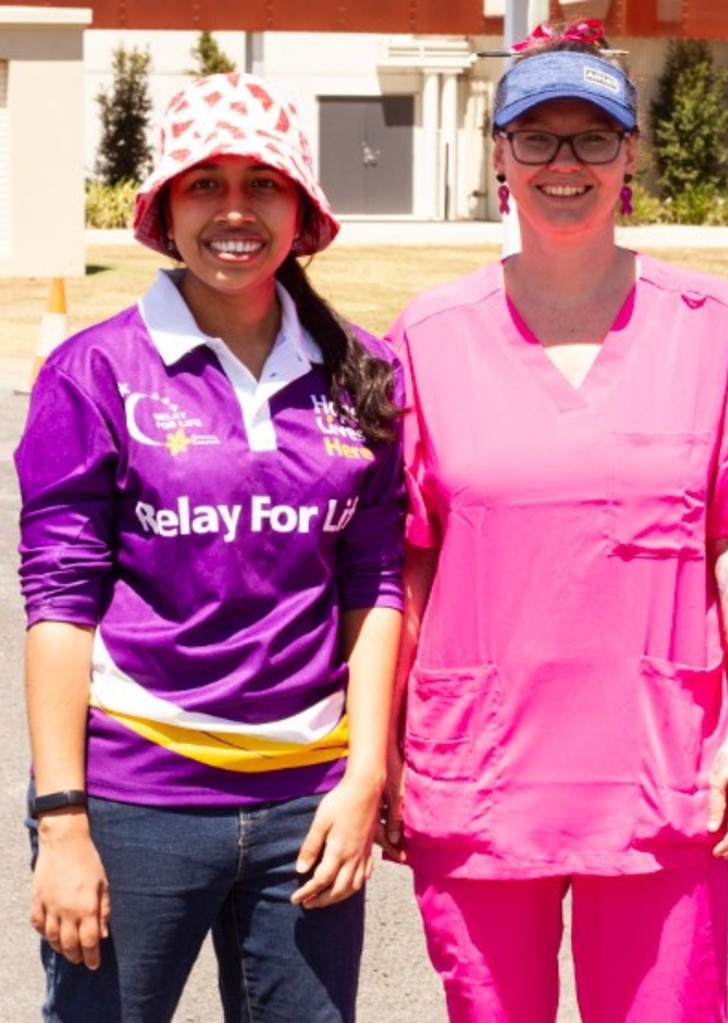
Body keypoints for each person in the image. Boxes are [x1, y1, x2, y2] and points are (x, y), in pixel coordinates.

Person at [380, 19, 728, 1023]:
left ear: (629, 153)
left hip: (660, 772)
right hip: (481, 774)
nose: (565, 163)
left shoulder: (718, 334)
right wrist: (375, 749)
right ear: (499, 154)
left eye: (592, 136)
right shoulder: (426, 339)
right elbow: (400, 567)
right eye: (536, 137)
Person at [15, 71, 404, 1023]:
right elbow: (59, 603)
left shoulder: (363, 371)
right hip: (134, 801)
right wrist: (62, 823)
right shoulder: (94, 371)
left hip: (306, 808)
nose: (236, 209)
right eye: (206, 183)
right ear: (166, 207)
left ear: (303, 210)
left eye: (262, 183)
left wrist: (365, 777)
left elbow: (376, 583)